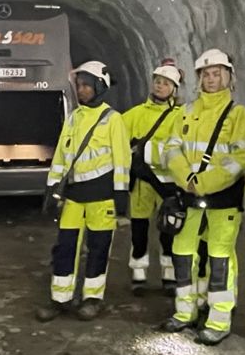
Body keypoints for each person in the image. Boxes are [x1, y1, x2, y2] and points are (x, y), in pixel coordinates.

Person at [159, 49, 245, 346]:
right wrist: (187, 178)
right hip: (189, 195)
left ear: (228, 77)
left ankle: (219, 318)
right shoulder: (186, 111)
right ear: (199, 78)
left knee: (220, 258)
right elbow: (171, 148)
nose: (212, 80)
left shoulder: (237, 114)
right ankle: (185, 311)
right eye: (206, 75)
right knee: (183, 253)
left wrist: (204, 182)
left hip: (223, 199)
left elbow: (240, 158)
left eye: (217, 74)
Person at [42, 60, 130, 320]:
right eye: (78, 85)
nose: (81, 90)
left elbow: (122, 160)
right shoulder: (73, 118)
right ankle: (60, 299)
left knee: (98, 248)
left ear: (99, 86)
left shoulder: (113, 120)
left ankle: (92, 298)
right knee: (65, 247)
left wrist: (121, 195)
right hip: (73, 198)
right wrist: (51, 188)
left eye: (86, 85)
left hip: (102, 199)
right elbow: (61, 156)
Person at [122, 61, 185, 293]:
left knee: (168, 231)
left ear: (174, 88)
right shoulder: (136, 113)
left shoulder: (181, 116)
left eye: (166, 83)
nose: (160, 86)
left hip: (167, 184)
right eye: (158, 82)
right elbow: (118, 136)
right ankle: (139, 274)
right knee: (139, 230)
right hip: (142, 183)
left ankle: (169, 276)